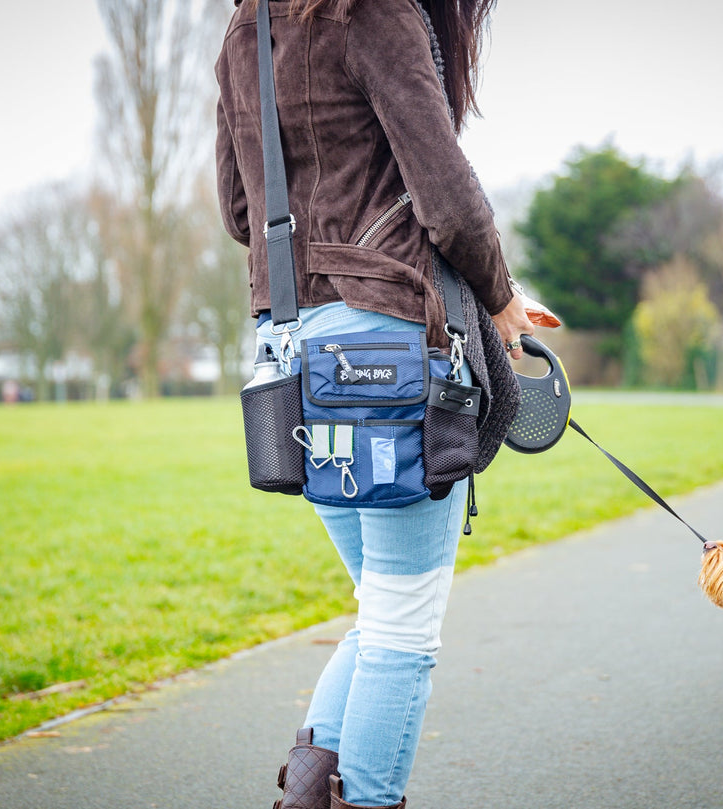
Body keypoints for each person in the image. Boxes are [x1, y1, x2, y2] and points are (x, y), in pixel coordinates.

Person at [215, 0, 532, 806]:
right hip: (384, 350)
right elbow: (452, 206)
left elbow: (241, 212)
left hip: (289, 349)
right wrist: (502, 301)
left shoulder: (246, 29)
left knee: (383, 607)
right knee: (402, 629)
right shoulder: (374, 14)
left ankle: (307, 795)